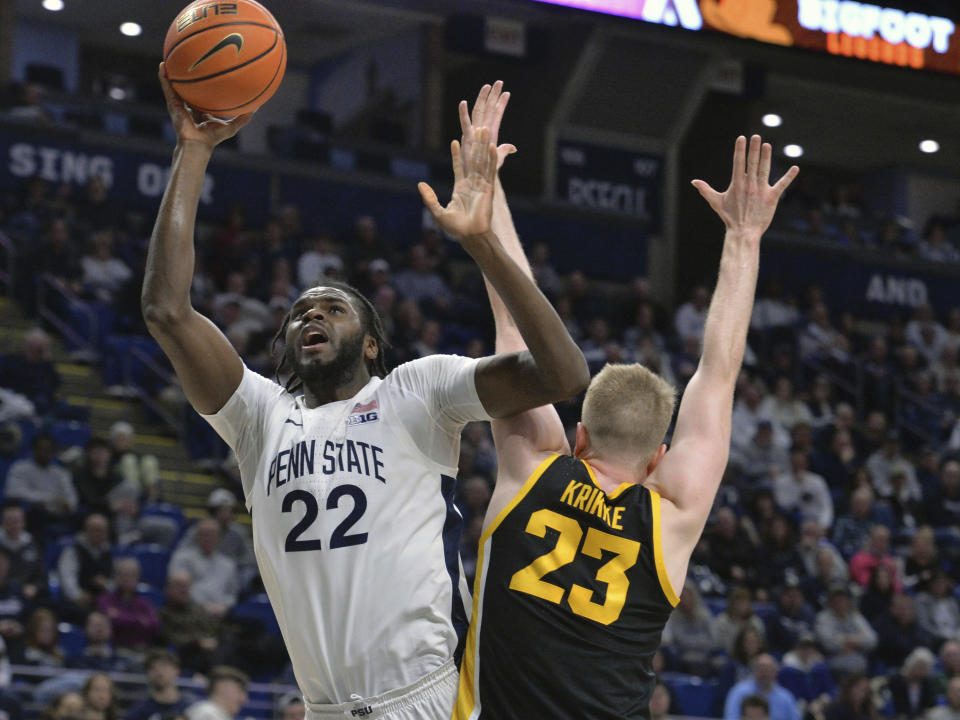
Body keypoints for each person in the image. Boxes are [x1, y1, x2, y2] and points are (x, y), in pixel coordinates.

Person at [143, 70, 588, 720]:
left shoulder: (418, 393)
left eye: (333, 309)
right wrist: (194, 148)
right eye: (300, 312)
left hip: (431, 697)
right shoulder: (260, 418)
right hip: (323, 709)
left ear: (372, 344)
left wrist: (482, 243)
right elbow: (166, 311)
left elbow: (563, 375)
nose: (312, 317)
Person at [450, 81, 798, 718]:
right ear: (658, 457)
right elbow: (718, 375)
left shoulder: (533, 469)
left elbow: (515, 331)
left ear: (578, 436)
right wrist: (744, 238)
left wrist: (487, 192)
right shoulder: (674, 518)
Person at [723, 655, 800, 720]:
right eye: (761, 670)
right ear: (754, 671)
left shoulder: (786, 697)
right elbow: (731, 717)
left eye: (768, 670)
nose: (764, 674)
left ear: (775, 673)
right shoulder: (738, 692)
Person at [123, 650, 191, 720]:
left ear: (176, 670)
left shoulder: (190, 707)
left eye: (164, 666)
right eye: (152, 668)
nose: (158, 671)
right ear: (147, 673)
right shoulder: (139, 711)